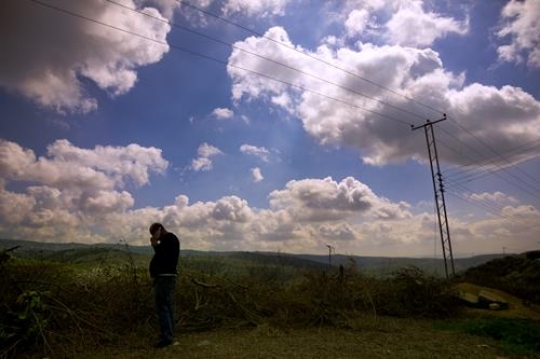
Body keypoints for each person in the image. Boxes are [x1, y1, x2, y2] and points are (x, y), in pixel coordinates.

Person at [148, 222, 180, 348]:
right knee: (167, 306)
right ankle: (170, 335)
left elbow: (163, 257)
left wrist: (155, 244)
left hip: (165, 277)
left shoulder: (170, 239)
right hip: (165, 277)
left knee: (163, 307)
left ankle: (167, 337)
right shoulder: (169, 240)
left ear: (159, 230)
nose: (154, 236)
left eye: (154, 233)